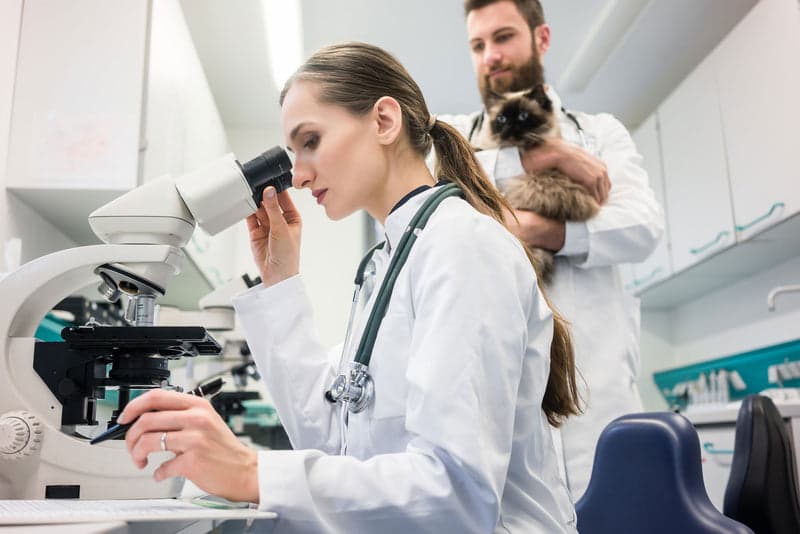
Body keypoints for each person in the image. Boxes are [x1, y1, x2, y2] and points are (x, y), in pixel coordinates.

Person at [118, 42, 582, 533]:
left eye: (311, 140)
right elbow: (330, 442)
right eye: (293, 152)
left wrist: (250, 470)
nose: (297, 174)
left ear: (384, 121)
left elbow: (454, 493)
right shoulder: (387, 263)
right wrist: (280, 283)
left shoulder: (462, 247)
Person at [438, 0, 664, 500]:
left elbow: (643, 226)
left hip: (598, 399)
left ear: (541, 38)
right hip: (502, 416)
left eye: (503, 37)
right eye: (478, 45)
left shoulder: (600, 133)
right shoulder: (456, 137)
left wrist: (540, 229)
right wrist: (541, 154)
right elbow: (428, 186)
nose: (490, 56)